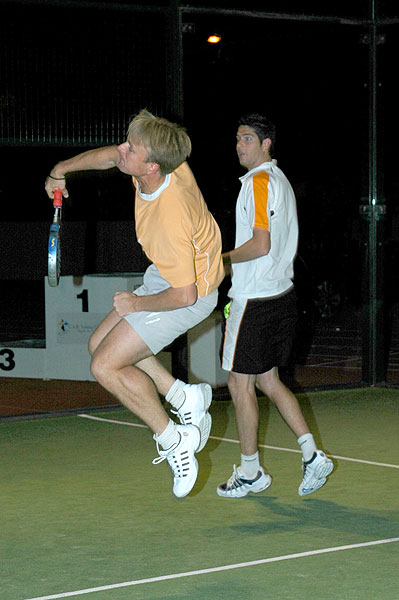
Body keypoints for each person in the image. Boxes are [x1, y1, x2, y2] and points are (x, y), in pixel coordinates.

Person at [45, 109, 225, 498]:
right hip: (173, 271)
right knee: (98, 344)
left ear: (151, 167)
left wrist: (136, 304)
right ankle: (183, 395)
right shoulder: (161, 168)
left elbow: (185, 296)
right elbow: (110, 156)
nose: (121, 149)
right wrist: (61, 169)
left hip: (191, 292)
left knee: (104, 365)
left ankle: (174, 439)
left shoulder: (167, 215)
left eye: (131, 148)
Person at [217, 113, 333, 498]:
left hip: (256, 300)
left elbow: (260, 244)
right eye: (237, 139)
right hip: (280, 296)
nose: (240, 145)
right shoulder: (279, 180)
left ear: (267, 144)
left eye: (247, 139)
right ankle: (311, 454)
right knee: (267, 380)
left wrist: (222, 261)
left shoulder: (262, 181)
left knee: (239, 383)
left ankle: (250, 472)